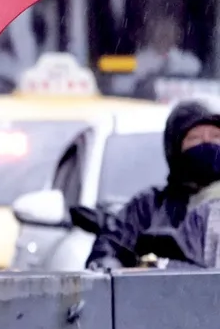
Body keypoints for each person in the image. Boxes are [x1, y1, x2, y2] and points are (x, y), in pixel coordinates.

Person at [86, 97, 220, 270]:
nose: (207, 144)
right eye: (195, 138)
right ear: (174, 147)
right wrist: (114, 268)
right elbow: (111, 251)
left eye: (216, 136)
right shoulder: (148, 206)